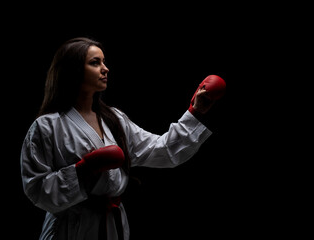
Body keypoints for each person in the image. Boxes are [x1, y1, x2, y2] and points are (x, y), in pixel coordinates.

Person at [20, 37, 226, 240]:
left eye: (103, 61)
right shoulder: (47, 126)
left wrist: (195, 112)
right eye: (95, 63)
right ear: (72, 70)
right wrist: (83, 170)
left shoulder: (115, 119)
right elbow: (36, 189)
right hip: (70, 228)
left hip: (113, 226)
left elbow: (163, 150)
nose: (105, 68)